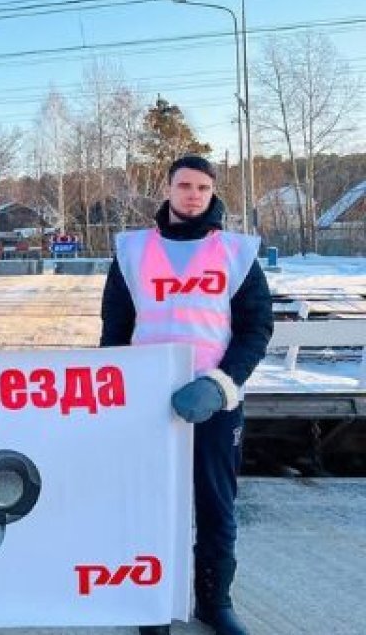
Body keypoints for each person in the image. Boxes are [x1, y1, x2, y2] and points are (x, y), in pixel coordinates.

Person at [100, 155, 272, 635]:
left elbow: (257, 328)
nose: (193, 194)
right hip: (147, 404)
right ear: (168, 189)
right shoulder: (133, 251)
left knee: (215, 506)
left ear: (212, 191)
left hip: (213, 404)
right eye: (184, 185)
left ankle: (214, 602)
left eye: (201, 186)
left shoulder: (236, 253)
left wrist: (222, 385)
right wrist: (116, 392)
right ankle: (153, 603)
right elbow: (115, 328)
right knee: (153, 506)